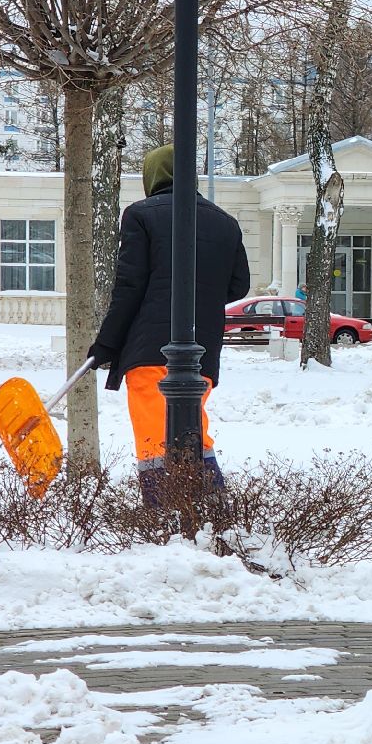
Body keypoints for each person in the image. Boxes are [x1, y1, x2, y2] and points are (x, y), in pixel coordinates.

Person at [89, 145, 250, 507]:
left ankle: (163, 514)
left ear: (152, 176)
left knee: (153, 438)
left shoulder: (140, 215)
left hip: (150, 349)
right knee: (194, 433)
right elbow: (238, 286)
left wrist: (106, 343)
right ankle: (210, 509)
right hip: (201, 352)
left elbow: (129, 286)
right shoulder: (225, 222)